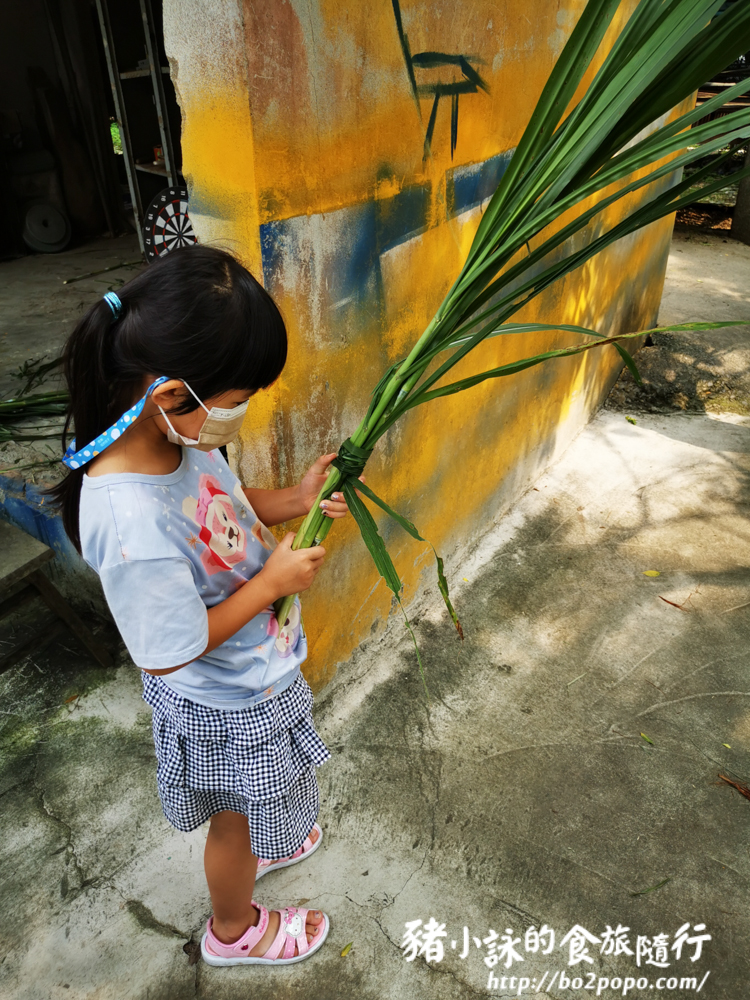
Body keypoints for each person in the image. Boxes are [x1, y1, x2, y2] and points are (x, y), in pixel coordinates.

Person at [51, 245, 353, 966]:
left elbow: (225, 510)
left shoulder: (179, 438)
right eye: (237, 397)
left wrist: (296, 500)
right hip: (221, 699)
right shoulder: (130, 520)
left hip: (252, 673)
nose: (241, 412)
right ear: (168, 392)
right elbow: (172, 649)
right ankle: (233, 930)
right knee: (235, 822)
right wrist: (271, 585)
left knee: (260, 806)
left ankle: (267, 840)